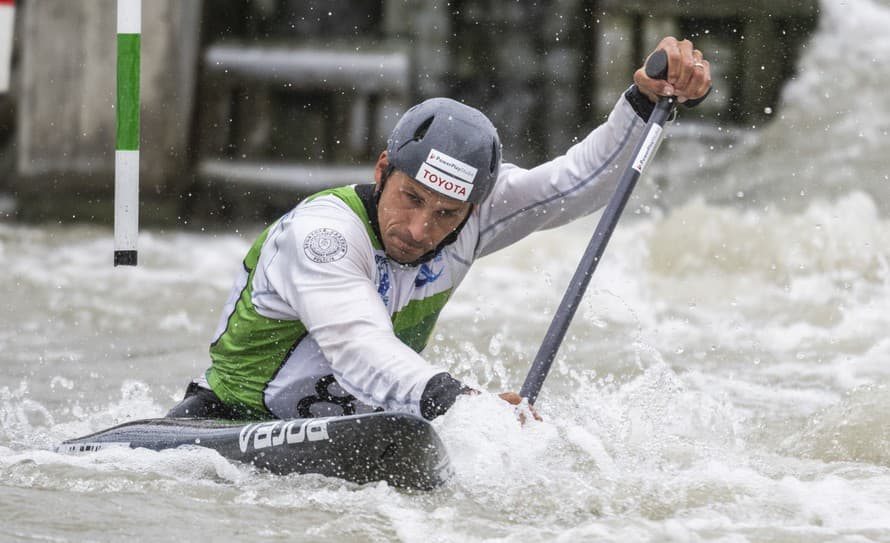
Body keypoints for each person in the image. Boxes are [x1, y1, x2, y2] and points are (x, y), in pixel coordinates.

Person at [167, 37, 712, 422]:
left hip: (367, 421)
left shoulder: (474, 215)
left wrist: (643, 101)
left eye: (447, 213)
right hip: (225, 422)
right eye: (410, 198)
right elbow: (360, 352)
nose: (420, 228)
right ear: (383, 171)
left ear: (473, 208)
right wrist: (468, 406)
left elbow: (580, 183)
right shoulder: (321, 236)